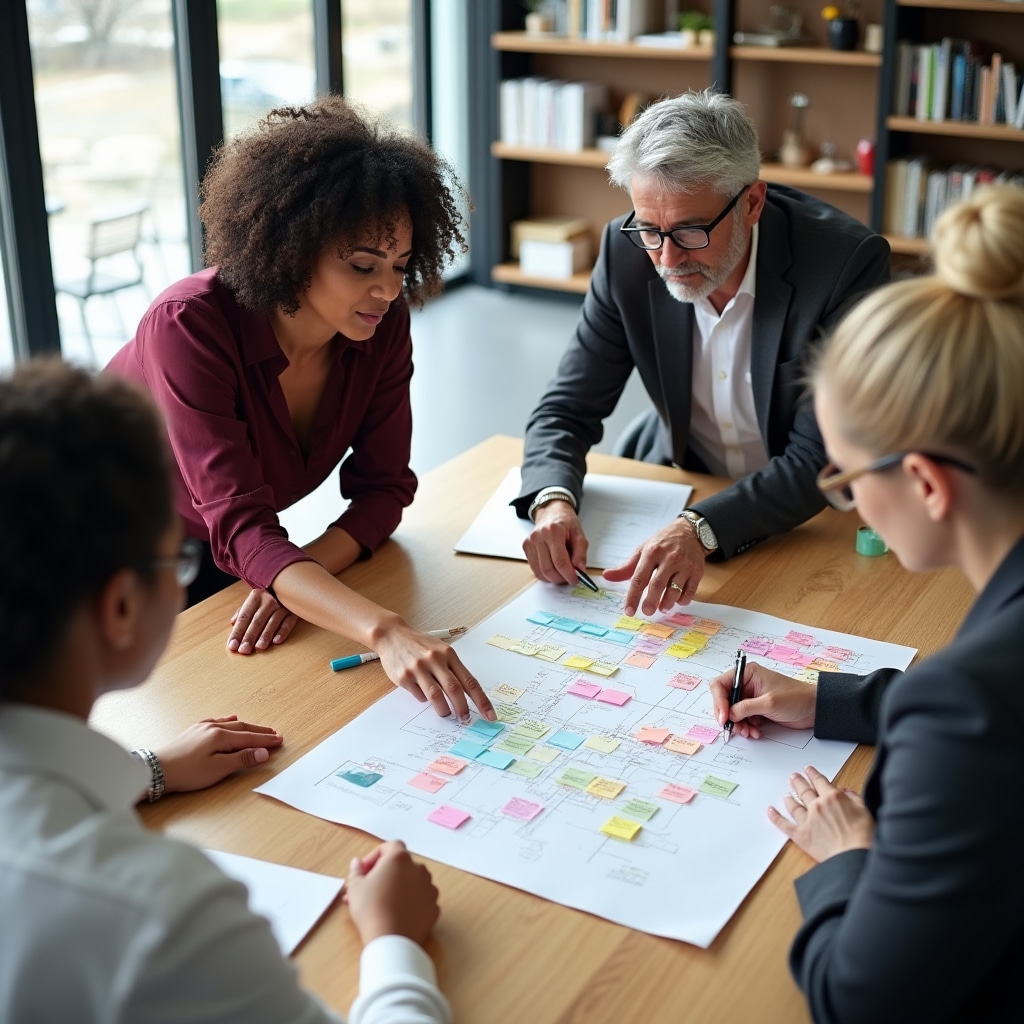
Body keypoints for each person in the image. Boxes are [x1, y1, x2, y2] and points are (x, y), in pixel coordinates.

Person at [0, 360, 452, 1023]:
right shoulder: (158, 910)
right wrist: (393, 943)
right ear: (121, 608)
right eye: (178, 560)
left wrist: (148, 770)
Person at [708, 186, 1024, 1021]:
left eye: (846, 480)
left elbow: (855, 1002)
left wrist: (850, 853)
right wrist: (828, 698)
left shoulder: (965, 701)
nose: (847, 499)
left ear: (924, 482)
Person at [108, 96, 493, 725]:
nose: (389, 289)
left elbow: (384, 490)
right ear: (293, 247)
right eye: (363, 265)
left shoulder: (381, 328)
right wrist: (382, 629)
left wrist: (297, 572)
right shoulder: (190, 326)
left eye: (400, 265)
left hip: (224, 548)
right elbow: (240, 525)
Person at [515, 90, 891, 619]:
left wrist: (701, 528)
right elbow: (566, 408)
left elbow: (820, 459)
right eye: (650, 228)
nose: (666, 258)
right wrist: (552, 501)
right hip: (688, 480)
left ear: (753, 203)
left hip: (812, 517)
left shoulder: (845, 266)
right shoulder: (625, 252)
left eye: (691, 231)